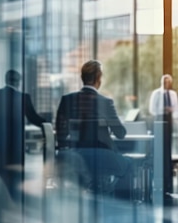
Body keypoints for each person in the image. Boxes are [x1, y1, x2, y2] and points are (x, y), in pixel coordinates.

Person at [55, 60, 132, 198]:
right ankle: (117, 203)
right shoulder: (105, 102)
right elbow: (120, 133)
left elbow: (60, 134)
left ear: (82, 77)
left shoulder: (67, 100)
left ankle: (88, 189)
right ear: (98, 78)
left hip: (75, 157)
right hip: (103, 157)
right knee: (129, 165)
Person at [0, 70, 46, 196]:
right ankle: (11, 197)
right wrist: (49, 124)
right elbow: (34, 118)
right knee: (14, 173)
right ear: (19, 82)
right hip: (15, 142)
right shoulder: (23, 97)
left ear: (6, 80)